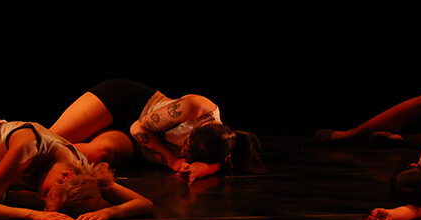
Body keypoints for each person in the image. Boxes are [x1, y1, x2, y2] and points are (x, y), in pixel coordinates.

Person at [49, 79, 264, 184]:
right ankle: (19, 155)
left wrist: (194, 171)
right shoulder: (196, 107)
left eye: (187, 153)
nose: (184, 152)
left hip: (136, 144)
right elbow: (138, 127)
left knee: (96, 154)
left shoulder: (218, 148)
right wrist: (172, 160)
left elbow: (211, 166)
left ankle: (32, 173)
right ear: (195, 131)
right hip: (125, 104)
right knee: (52, 138)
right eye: (186, 145)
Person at [0, 118, 153, 220]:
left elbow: (144, 204)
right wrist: (32, 215)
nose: (39, 195)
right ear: (65, 176)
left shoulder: (84, 176)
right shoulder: (25, 149)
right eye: (45, 193)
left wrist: (110, 212)